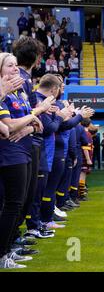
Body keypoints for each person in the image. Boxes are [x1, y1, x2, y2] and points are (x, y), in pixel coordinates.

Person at [0, 53, 43, 269]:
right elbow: (8, 127)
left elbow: (35, 126)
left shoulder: (18, 94)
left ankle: (7, 249)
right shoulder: (4, 95)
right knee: (12, 204)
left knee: (19, 204)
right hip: (10, 153)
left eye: (16, 65)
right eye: (10, 65)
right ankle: (3, 252)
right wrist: (33, 116)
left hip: (23, 151)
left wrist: (28, 124)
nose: (16, 69)